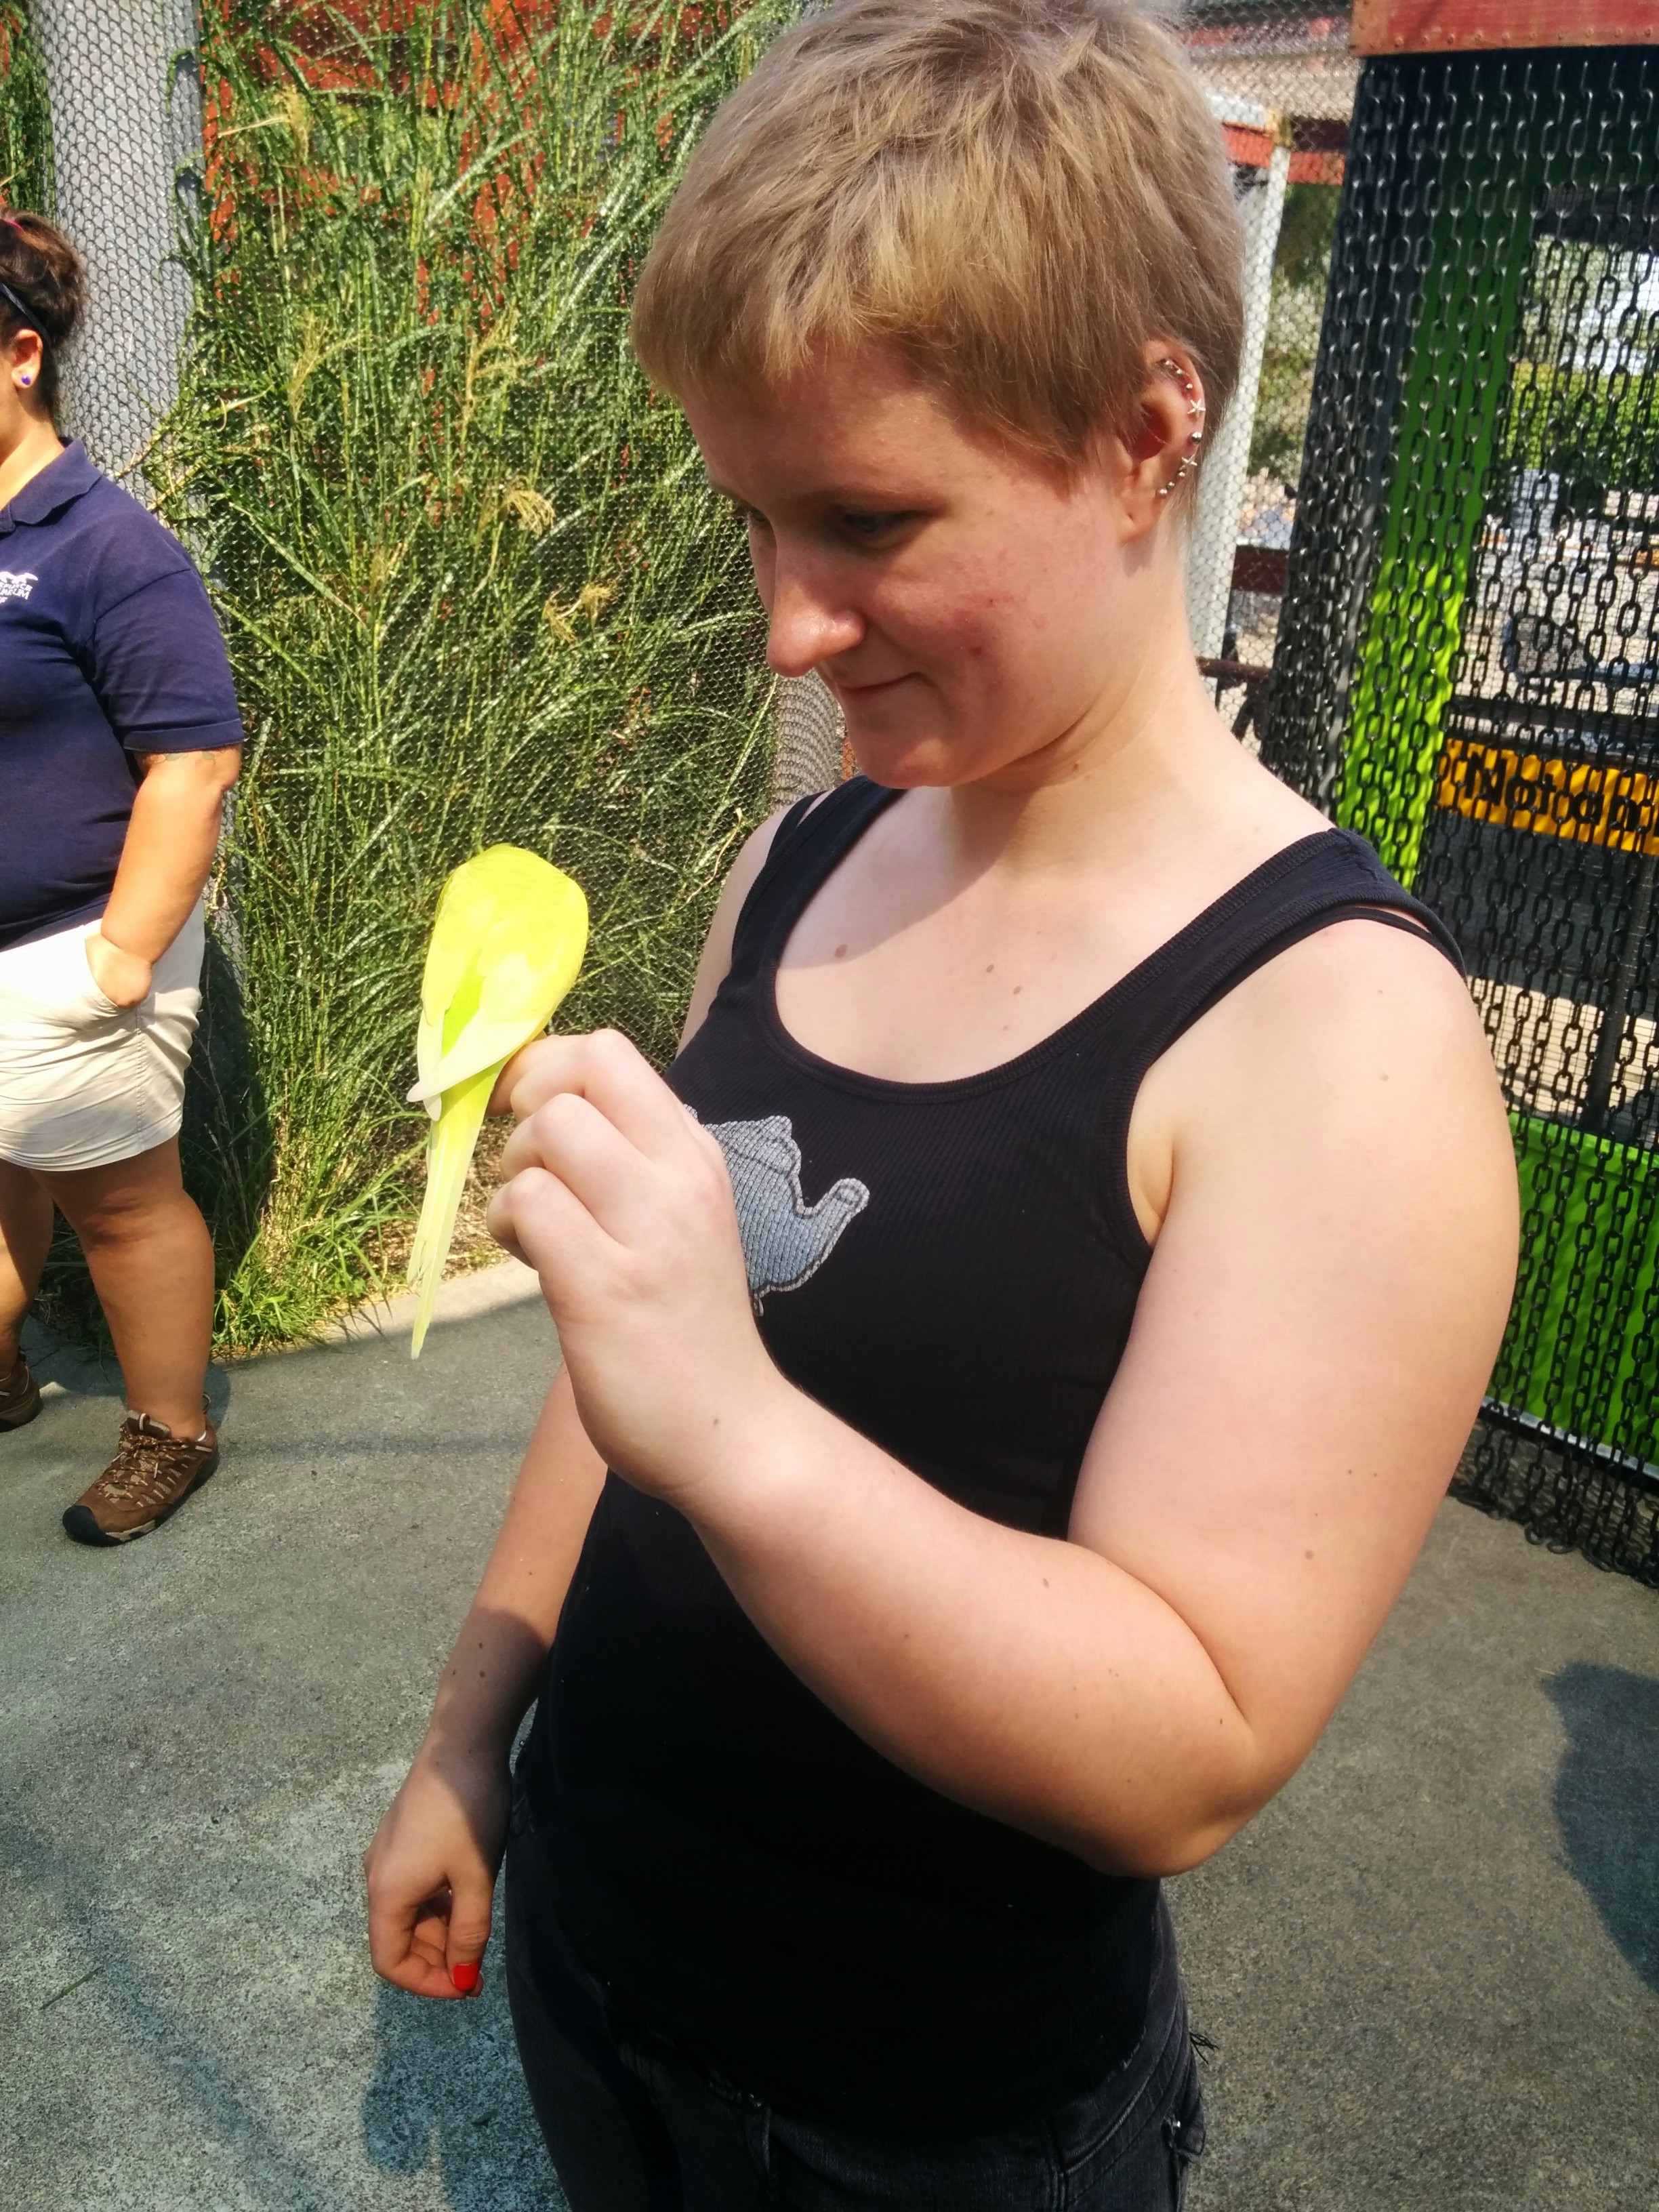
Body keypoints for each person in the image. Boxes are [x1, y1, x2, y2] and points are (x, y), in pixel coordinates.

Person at [365, 4, 1519, 2205]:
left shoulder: (1329, 1035)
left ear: (1144, 433)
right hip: (602, 1965)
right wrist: (471, 1732)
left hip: (926, 2120)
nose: (787, 627)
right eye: (753, 521)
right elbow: (633, 1367)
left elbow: (1188, 1747)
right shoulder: (801, 860)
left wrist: (737, 1422)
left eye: (869, 519)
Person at [0, 209, 243, 1544]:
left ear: (21, 355)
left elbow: (193, 762)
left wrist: (123, 955)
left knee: (120, 1209)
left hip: (73, 941)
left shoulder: (104, 544)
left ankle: (170, 1429)